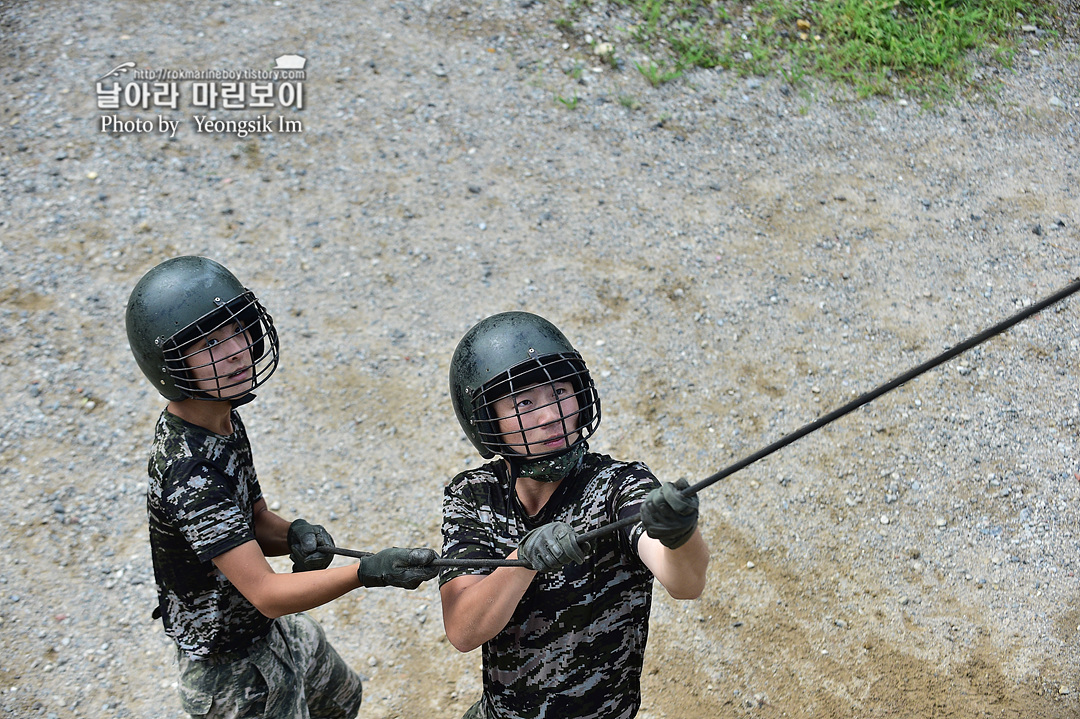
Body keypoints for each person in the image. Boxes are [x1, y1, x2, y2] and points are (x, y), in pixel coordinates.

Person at [126, 255, 439, 719]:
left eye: (237, 331)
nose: (234, 351)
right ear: (169, 364)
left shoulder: (221, 415)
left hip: (264, 631)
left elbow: (254, 520)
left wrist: (292, 532)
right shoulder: (189, 470)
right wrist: (367, 572)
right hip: (228, 668)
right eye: (209, 344)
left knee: (340, 698)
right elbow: (269, 594)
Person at [440, 311, 710, 719]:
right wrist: (522, 561)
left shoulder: (616, 485)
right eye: (525, 402)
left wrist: (680, 534)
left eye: (560, 393)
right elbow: (463, 630)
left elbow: (685, 581)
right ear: (485, 420)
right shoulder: (475, 495)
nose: (550, 415)